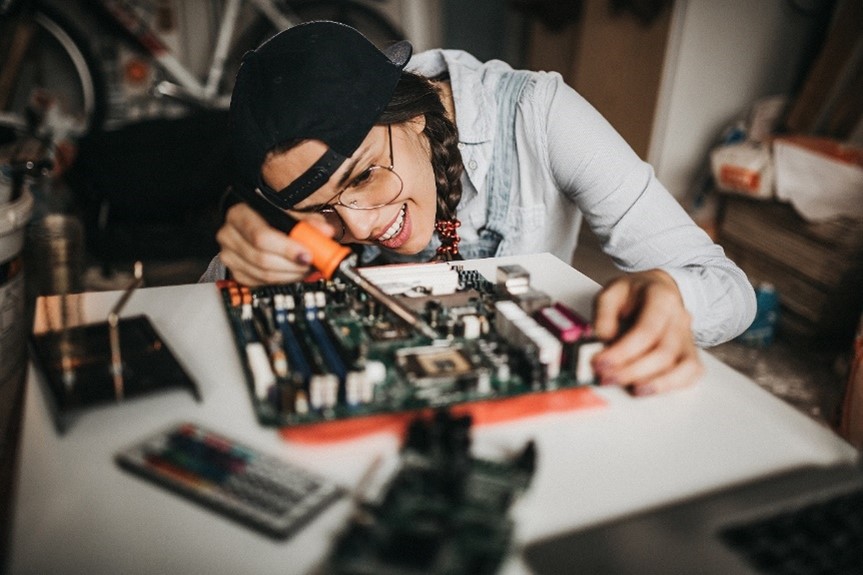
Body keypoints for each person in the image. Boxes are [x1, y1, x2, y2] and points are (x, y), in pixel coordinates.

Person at [201, 20, 756, 397]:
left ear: (410, 112)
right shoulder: (305, 213)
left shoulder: (540, 115)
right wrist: (244, 263)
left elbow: (729, 289)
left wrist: (670, 292)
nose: (362, 227)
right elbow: (196, 323)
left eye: (365, 175)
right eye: (321, 210)